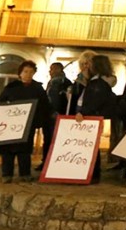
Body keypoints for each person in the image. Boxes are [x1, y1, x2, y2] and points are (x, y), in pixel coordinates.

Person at [0, 60, 51, 183]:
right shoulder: (11, 87)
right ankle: (6, 174)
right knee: (8, 150)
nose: (28, 74)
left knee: (24, 150)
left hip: (28, 125)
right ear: (20, 73)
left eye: (31, 72)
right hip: (9, 125)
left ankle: (25, 174)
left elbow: (45, 105)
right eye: (25, 71)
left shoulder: (38, 88)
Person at [73, 54, 120, 184]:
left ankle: (92, 174)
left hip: (91, 117)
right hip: (92, 116)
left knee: (91, 146)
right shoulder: (96, 82)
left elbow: (94, 101)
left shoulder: (97, 84)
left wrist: (83, 113)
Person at [38, 61, 71, 170]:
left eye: (52, 69)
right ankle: (46, 161)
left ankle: (52, 162)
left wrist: (55, 112)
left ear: (58, 70)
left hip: (57, 116)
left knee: (55, 140)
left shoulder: (63, 83)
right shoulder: (52, 82)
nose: (50, 71)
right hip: (48, 116)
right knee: (47, 139)